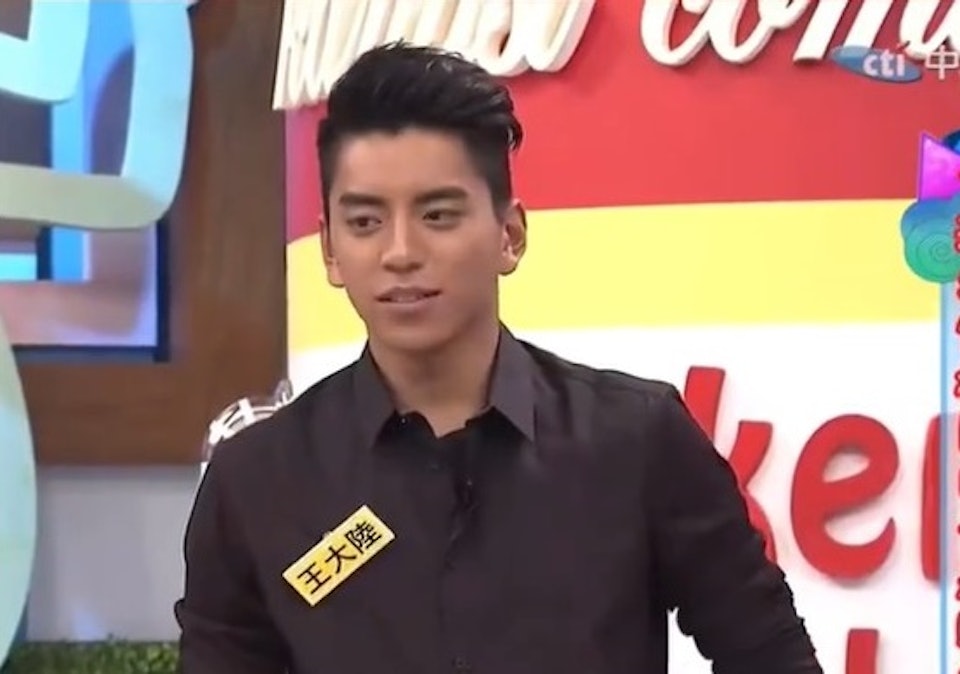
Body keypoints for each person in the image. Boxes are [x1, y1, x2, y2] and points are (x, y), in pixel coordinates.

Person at [175, 41, 822, 674]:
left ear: (509, 235)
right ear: (329, 251)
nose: (400, 252)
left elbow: (768, 654)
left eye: (437, 215)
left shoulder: (638, 439)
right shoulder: (258, 481)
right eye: (366, 222)